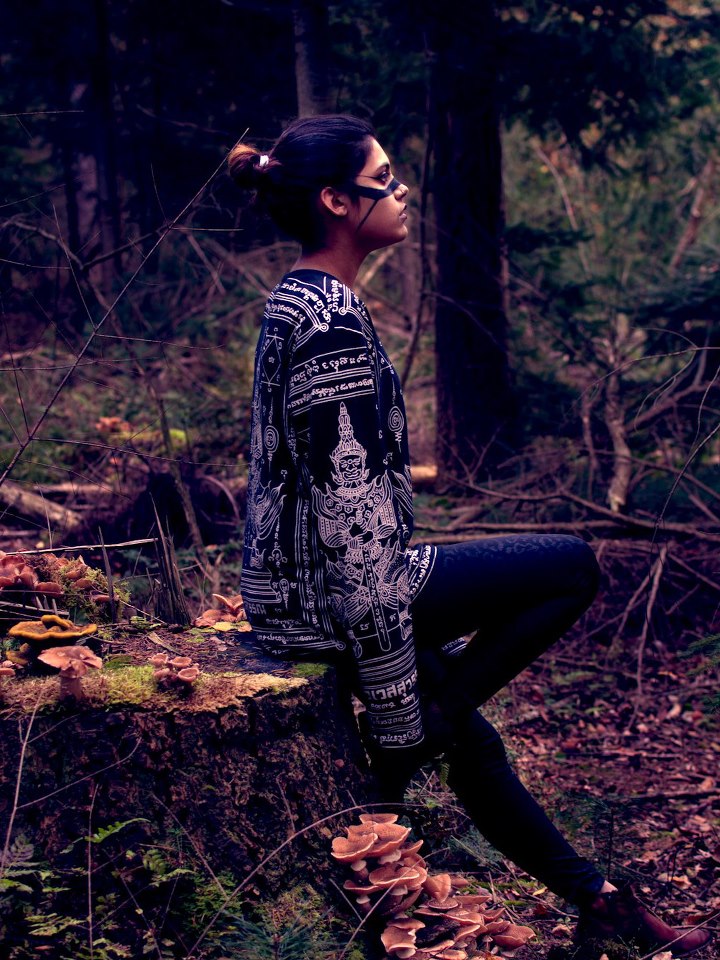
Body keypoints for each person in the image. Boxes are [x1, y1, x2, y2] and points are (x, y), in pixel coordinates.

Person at [228, 115, 711, 956]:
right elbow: (350, 520)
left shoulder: (297, 301)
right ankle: (426, 723)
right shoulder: (329, 323)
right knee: (571, 565)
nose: (401, 190)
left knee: (473, 744)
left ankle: (604, 907)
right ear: (337, 201)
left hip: (300, 589)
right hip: (335, 593)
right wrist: (396, 713)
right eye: (384, 178)